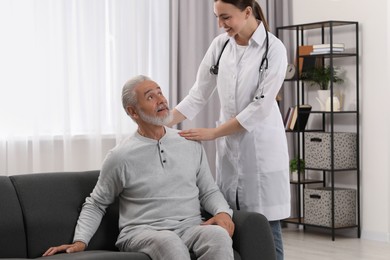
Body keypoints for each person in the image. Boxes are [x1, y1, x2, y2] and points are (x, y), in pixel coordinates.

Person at [43, 75, 235, 260]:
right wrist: (80, 241)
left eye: (160, 92)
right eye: (150, 96)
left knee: (218, 236)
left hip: (191, 227)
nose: (161, 100)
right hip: (142, 232)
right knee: (169, 241)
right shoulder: (120, 156)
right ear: (133, 112)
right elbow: (96, 203)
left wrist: (223, 212)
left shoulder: (189, 143)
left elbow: (209, 191)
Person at [167, 1, 290, 260]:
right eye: (217, 17)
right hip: (229, 152)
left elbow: (260, 106)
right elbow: (198, 94)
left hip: (261, 151)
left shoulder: (274, 49)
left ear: (247, 12)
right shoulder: (220, 46)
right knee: (230, 222)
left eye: (226, 17)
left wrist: (213, 133)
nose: (221, 25)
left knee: (265, 228)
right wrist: (162, 122)